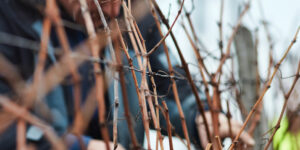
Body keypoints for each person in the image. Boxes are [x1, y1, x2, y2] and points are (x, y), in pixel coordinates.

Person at [0, 0, 254, 149]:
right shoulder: (10, 16)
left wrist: (199, 116)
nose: (112, 12)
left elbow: (165, 86)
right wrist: (80, 146)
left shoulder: (134, 11)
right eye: (100, 2)